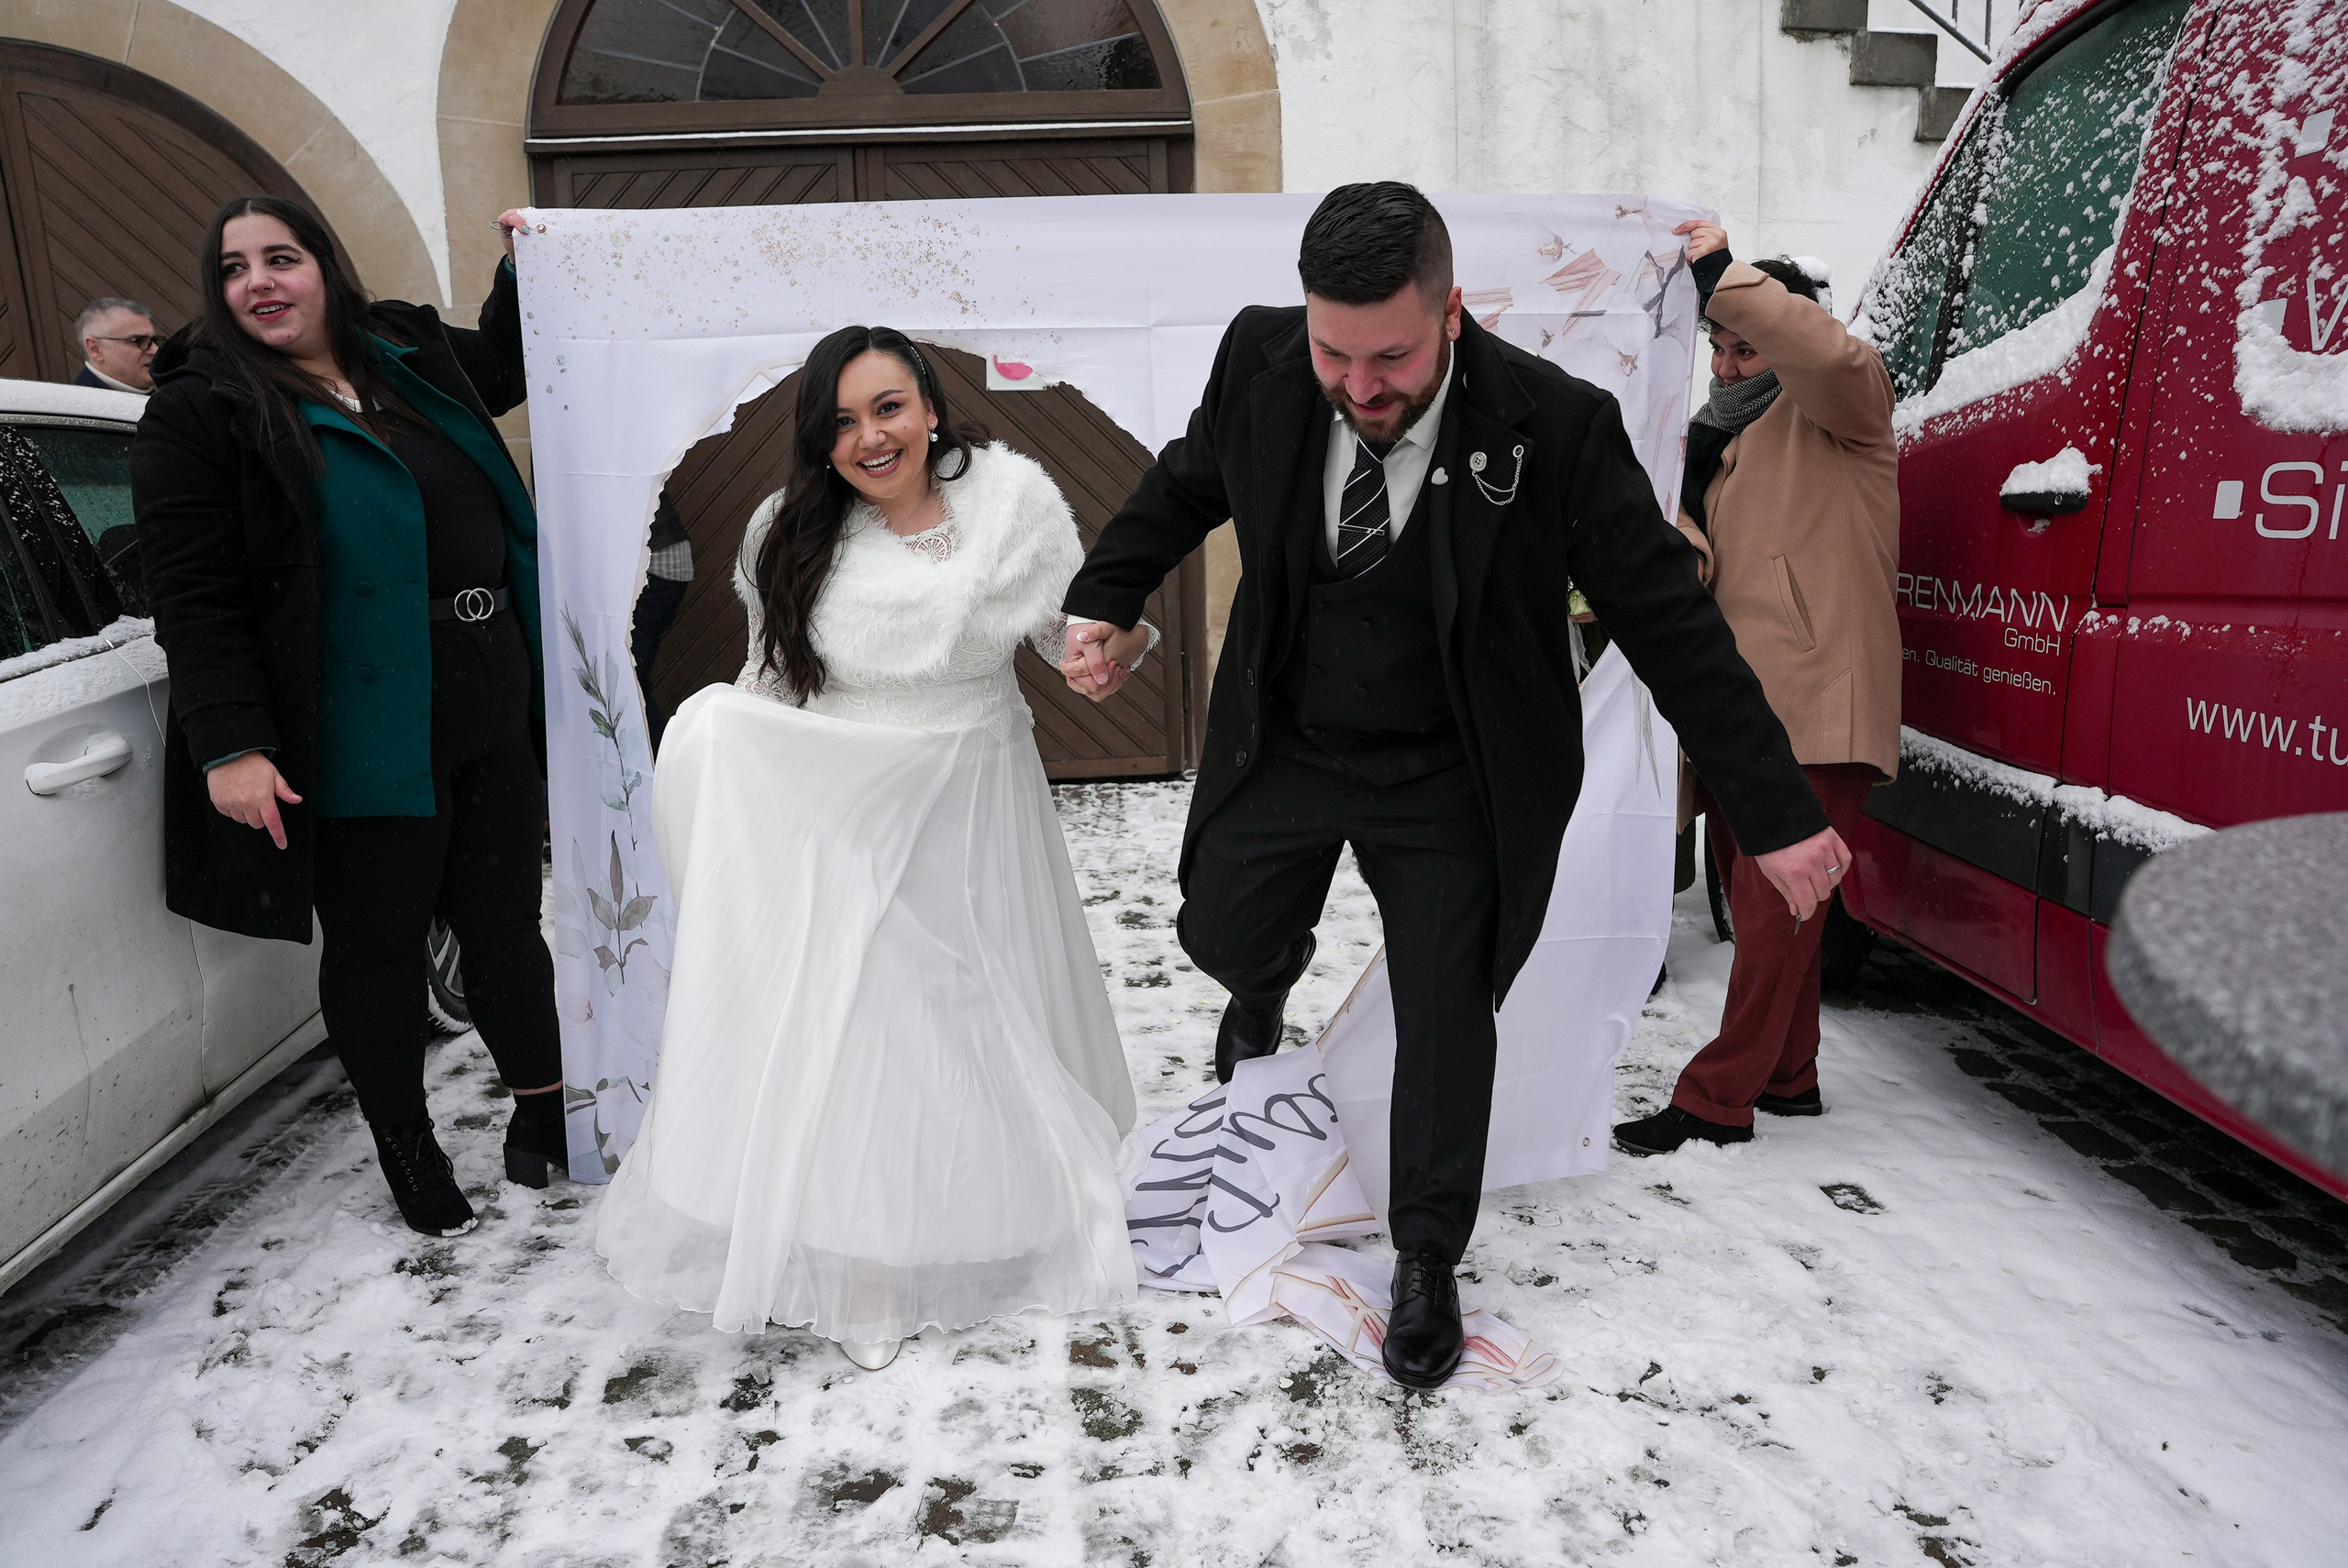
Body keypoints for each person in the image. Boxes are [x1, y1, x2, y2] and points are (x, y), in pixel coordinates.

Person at [1058, 182, 1846, 1388]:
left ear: (1453, 312)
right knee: (1221, 926)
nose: (1358, 384)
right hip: (1293, 739)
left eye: (1390, 357)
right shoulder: (1262, 359)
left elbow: (1670, 623)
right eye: (1335, 353)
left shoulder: (1555, 425)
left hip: (1454, 770)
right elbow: (1186, 483)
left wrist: (1778, 813)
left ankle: (1428, 1256)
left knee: (1443, 1013)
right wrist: (1106, 595)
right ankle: (1260, 986)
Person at [595, 326, 1143, 1373]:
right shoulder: (787, 530)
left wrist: (1113, 651)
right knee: (867, 1031)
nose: (869, 437)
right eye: (842, 422)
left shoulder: (1013, 507)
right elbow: (768, 683)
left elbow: (1074, 633)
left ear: (930, 407)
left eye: (887, 408)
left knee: (967, 1017)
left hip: (971, 802)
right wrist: (750, 785)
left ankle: (979, 1219)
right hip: (845, 803)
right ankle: (872, 1270)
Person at [132, 197, 565, 1239]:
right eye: (234, 268)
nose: (259, 281)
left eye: (280, 257)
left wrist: (526, 269)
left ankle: (544, 1115)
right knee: (380, 943)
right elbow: (195, 594)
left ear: (325, 265)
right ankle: (408, 1148)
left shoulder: (405, 349)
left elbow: (510, 363)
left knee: (507, 921)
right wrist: (231, 742)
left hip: (488, 684)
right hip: (358, 714)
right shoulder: (203, 409)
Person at [1612, 226, 1899, 1156]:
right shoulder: (1711, 438)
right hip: (1742, 715)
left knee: (1776, 911)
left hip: (1818, 704)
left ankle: (1715, 1101)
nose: (1731, 365)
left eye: (1749, 346)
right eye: (1721, 347)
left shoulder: (1844, 410)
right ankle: (1788, 1076)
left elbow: (1830, 357)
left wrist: (1717, 276)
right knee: (1779, 911)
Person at [631, 488, 692, 752]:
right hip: (665, 561)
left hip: (655, 566)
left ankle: (662, 760)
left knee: (631, 682)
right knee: (634, 678)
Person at [72, 297, 160, 392]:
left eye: (155, 340)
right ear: (95, 349)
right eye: (139, 341)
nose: (155, 350)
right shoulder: (78, 400)